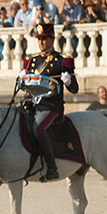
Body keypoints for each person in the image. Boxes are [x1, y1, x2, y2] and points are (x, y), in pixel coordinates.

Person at [21, 19, 78, 181]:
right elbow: (25, 86)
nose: (41, 42)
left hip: (51, 106)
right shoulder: (30, 60)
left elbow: (74, 89)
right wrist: (20, 78)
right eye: (39, 39)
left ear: (53, 39)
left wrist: (68, 81)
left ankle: (52, 167)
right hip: (31, 103)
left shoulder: (63, 60)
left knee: (37, 129)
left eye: (45, 38)